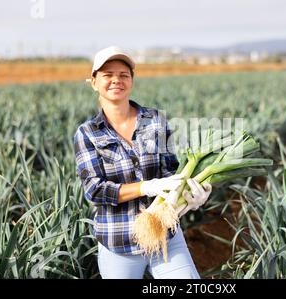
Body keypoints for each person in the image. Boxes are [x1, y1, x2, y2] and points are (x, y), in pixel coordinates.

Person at [73, 46, 212, 279]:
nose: (116, 80)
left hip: (165, 236)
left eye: (123, 75)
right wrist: (146, 187)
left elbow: (170, 170)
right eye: (108, 75)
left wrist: (192, 194)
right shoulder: (87, 133)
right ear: (94, 82)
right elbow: (95, 190)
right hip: (119, 244)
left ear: (131, 81)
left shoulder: (155, 120)